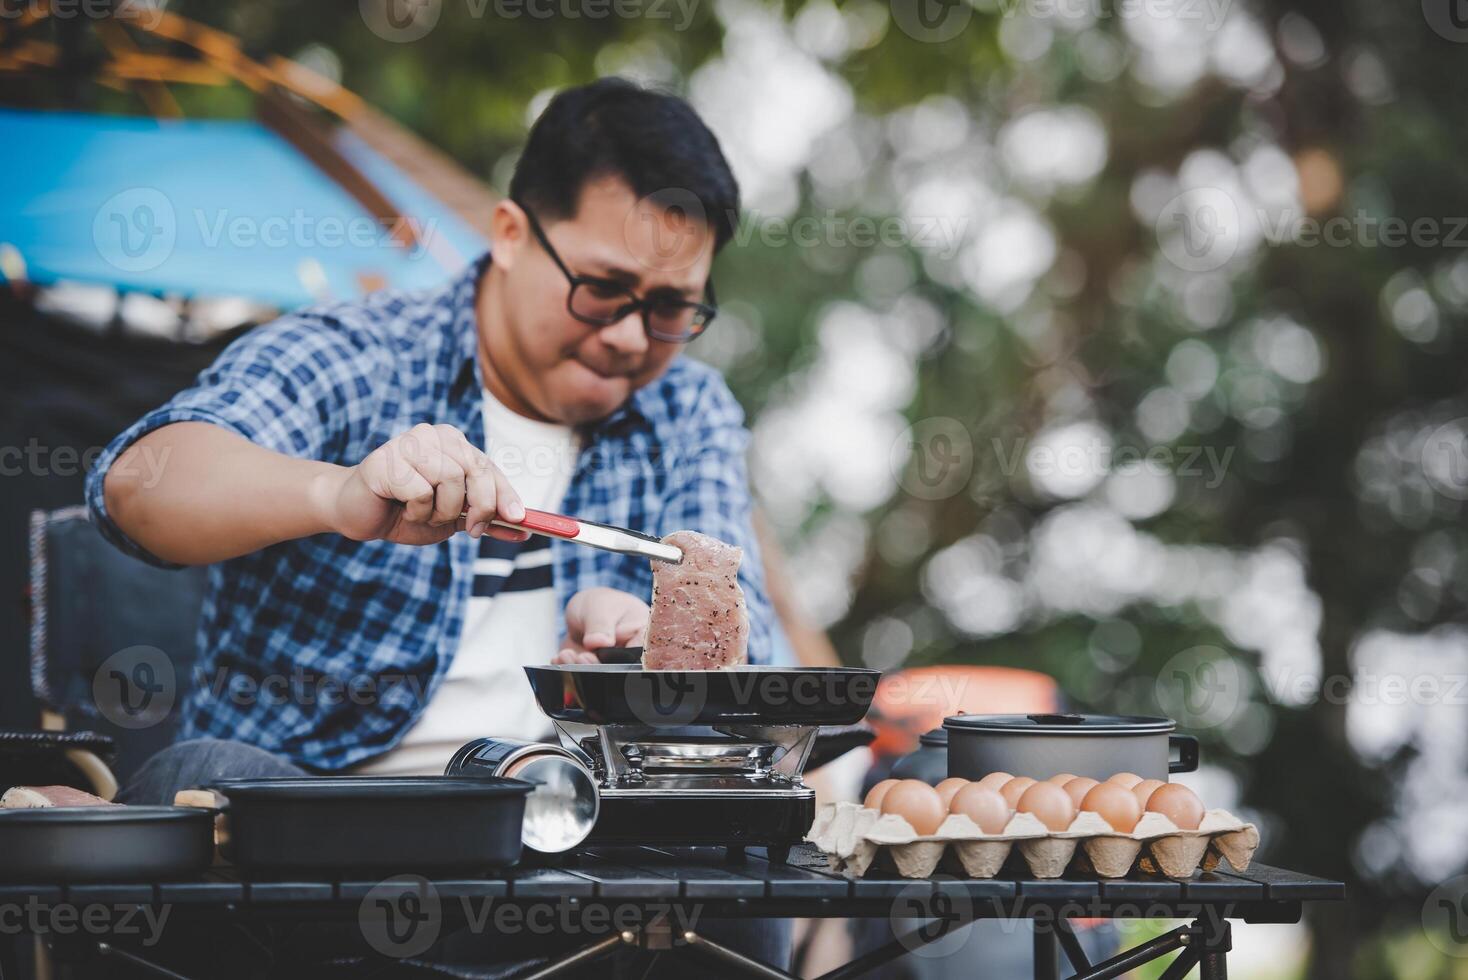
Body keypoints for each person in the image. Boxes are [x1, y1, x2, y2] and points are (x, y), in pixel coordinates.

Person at [87, 77, 790, 976]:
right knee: (200, 769)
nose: (628, 336)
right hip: (326, 841)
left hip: (573, 857)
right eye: (604, 289)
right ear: (507, 234)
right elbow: (137, 487)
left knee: (739, 884)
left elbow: (747, 641)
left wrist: (649, 647)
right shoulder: (360, 354)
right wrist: (339, 496)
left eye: (670, 309)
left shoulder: (686, 410)